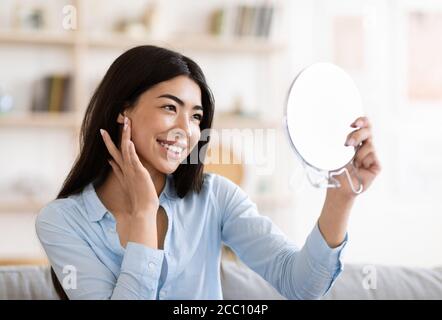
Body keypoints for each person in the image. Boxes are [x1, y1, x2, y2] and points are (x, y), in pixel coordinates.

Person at [35, 45, 381, 300]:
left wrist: (341, 194)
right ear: (123, 112)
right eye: (170, 107)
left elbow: (302, 286)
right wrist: (143, 213)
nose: (186, 129)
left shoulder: (216, 197)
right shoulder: (61, 221)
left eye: (196, 116)